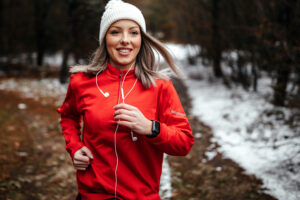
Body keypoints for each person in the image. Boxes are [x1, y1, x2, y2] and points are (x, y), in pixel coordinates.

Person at [57, 0, 194, 199]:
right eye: (115, 32)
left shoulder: (160, 87)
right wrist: (75, 147)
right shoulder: (82, 82)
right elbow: (68, 116)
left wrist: (150, 128)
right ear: (104, 39)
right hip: (92, 195)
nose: (125, 40)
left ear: (141, 39)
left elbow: (184, 143)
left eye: (133, 32)